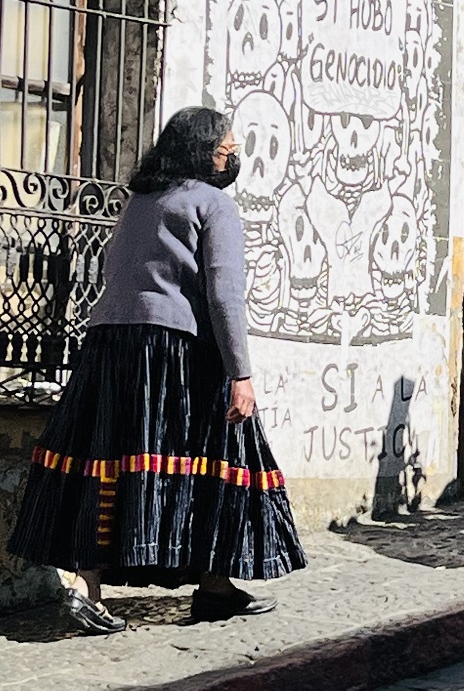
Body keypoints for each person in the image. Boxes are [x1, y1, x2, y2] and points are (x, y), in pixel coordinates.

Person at [7, 107, 306, 634]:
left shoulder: (140, 201)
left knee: (105, 455)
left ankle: (88, 587)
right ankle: (213, 586)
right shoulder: (213, 203)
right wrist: (240, 374)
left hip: (111, 343)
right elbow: (224, 295)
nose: (232, 157)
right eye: (226, 149)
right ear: (201, 152)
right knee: (221, 453)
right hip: (179, 349)